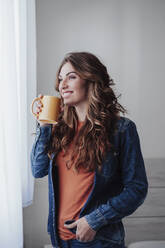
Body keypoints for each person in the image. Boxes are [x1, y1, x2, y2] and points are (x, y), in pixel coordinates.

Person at [30, 52, 148, 248]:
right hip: (59, 238)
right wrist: (44, 125)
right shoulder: (59, 129)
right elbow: (37, 169)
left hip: (97, 239)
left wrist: (95, 220)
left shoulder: (122, 129)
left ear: (90, 79)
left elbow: (137, 189)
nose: (62, 85)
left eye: (71, 77)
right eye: (60, 79)